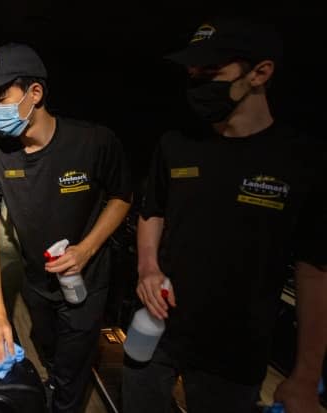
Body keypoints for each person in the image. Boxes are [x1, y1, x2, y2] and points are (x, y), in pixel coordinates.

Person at [122, 17, 327, 413]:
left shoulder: (303, 161)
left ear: (260, 73)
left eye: (211, 69)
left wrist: (305, 374)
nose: (196, 79)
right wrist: (147, 267)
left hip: (235, 349)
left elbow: (314, 270)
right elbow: (153, 211)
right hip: (156, 325)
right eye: (192, 70)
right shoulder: (176, 144)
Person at [0, 42, 132, 412]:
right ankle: (55, 383)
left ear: (35, 93)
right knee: (48, 350)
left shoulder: (94, 142)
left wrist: (86, 249)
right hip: (36, 282)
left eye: (1, 96)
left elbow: (122, 198)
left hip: (87, 282)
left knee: (73, 372)